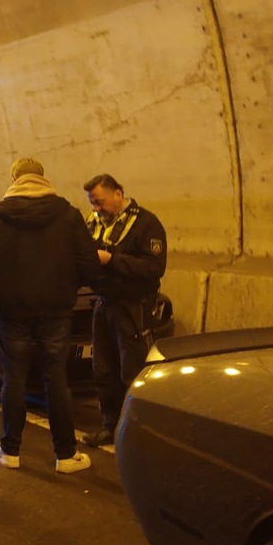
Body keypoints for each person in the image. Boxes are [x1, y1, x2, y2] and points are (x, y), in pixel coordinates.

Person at [0, 158, 98, 473]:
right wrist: (65, 289)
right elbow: (89, 264)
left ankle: (9, 450)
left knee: (14, 379)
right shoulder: (69, 215)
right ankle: (66, 456)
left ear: (14, 179)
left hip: (13, 312)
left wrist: (3, 293)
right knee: (56, 379)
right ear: (42, 177)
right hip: (56, 311)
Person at [81, 173, 167, 447]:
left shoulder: (146, 224)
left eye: (100, 202)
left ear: (118, 194)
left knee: (133, 370)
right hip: (104, 303)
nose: (96, 208)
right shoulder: (93, 223)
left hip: (132, 307)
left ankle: (139, 433)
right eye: (93, 203)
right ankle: (110, 426)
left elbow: (153, 267)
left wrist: (112, 260)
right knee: (103, 370)